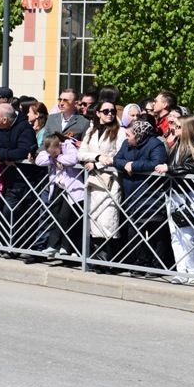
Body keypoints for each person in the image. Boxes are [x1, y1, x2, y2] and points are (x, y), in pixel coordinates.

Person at [154, 114, 194, 284]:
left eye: (178, 126)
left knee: (187, 234)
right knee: (175, 234)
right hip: (174, 193)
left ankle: (191, 272)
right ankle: (181, 270)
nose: (174, 129)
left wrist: (169, 169)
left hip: (190, 194)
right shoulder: (176, 145)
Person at [114, 119, 170, 272]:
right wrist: (125, 164)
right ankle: (138, 263)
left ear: (139, 135)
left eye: (129, 134)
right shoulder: (127, 144)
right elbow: (116, 159)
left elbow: (157, 163)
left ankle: (157, 265)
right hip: (131, 193)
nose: (127, 138)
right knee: (134, 231)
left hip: (150, 194)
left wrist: (134, 165)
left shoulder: (155, 144)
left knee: (155, 232)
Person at [0, 103, 38, 252]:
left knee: (13, 212)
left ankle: (15, 247)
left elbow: (23, 151)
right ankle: (5, 246)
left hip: (23, 178)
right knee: (3, 211)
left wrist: (2, 155)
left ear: (4, 119)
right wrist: (3, 156)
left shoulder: (24, 128)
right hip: (4, 176)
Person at [78, 100, 124, 260]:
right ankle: (95, 259)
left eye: (112, 111)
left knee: (108, 219)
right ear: (98, 113)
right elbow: (81, 153)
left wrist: (96, 163)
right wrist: (97, 157)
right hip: (93, 181)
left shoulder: (120, 132)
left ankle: (108, 260)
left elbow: (118, 155)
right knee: (94, 218)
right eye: (106, 111)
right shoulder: (91, 131)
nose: (110, 113)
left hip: (110, 180)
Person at [35, 132, 85, 258]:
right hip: (58, 187)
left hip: (72, 188)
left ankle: (65, 246)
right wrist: (52, 159)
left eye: (54, 151)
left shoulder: (67, 145)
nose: (52, 154)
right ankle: (55, 246)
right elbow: (39, 160)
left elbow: (74, 158)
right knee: (56, 215)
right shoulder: (51, 155)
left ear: (59, 146)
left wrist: (59, 158)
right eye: (50, 152)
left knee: (66, 217)